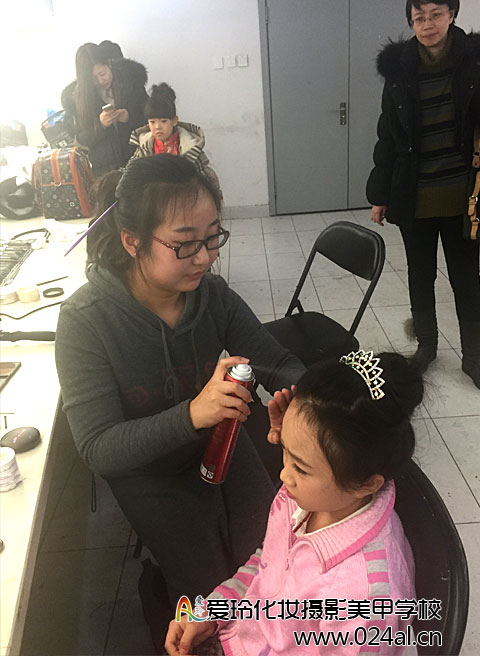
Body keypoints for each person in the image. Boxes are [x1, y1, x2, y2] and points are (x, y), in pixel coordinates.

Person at [55, 154, 305, 627]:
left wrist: (314, 398)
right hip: (149, 472)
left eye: (212, 237)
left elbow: (279, 364)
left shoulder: (213, 297)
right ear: (131, 240)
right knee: (207, 598)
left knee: (273, 560)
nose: (205, 257)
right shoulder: (86, 321)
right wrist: (192, 414)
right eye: (185, 243)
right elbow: (99, 449)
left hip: (223, 447)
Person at [165, 350, 423, 656]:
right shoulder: (302, 499)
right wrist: (211, 613)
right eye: (284, 450)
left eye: (301, 467)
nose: (283, 475)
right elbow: (267, 567)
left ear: (366, 484)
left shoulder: (366, 604)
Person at [366, 0, 480, 389]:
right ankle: (426, 347)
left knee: (466, 278)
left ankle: (474, 356)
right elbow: (387, 135)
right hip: (414, 196)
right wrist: (380, 194)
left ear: (452, 15)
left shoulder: (474, 62)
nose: (427, 24)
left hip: (464, 197)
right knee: (420, 274)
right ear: (411, 22)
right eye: (419, 18)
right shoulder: (400, 71)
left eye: (435, 15)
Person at [61, 42, 148, 176]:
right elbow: (80, 140)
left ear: (109, 63)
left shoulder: (131, 82)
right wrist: (101, 125)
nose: (101, 81)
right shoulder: (79, 99)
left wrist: (128, 117)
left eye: (102, 73)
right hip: (105, 171)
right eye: (93, 79)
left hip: (139, 161)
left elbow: (152, 120)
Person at [129, 82, 221, 194]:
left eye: (163, 121)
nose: (157, 127)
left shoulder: (191, 148)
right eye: (152, 122)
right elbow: (130, 175)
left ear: (174, 121)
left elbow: (207, 180)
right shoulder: (144, 148)